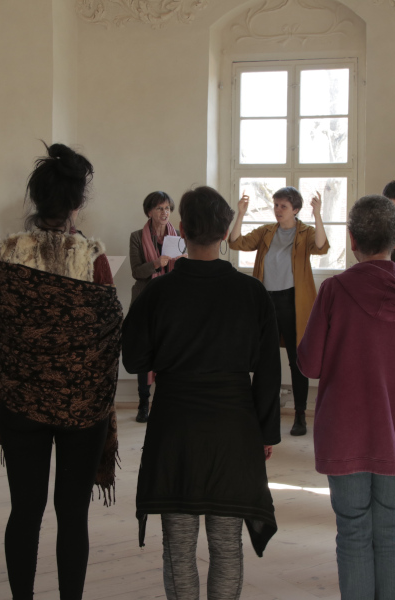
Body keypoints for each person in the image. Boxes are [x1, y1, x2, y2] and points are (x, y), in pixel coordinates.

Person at [122, 185, 281, 600]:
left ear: (183, 231)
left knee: (178, 547)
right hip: (233, 427)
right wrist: (266, 433)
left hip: (175, 426)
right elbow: (268, 370)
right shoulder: (252, 293)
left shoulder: (159, 292)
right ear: (226, 232)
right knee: (227, 545)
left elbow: (134, 359)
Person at [0, 143, 121, 600]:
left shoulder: (8, 253)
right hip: (83, 409)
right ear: (77, 204)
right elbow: (109, 334)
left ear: (37, 201)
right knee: (72, 514)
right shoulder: (93, 258)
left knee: (24, 512)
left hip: (22, 403)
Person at [298, 195, 395, 600]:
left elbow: (310, 364)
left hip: (344, 431)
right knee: (391, 530)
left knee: (353, 532)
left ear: (351, 239)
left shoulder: (333, 291)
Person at [228, 186, 329, 436]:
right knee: (266, 360)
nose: (278, 210)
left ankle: (300, 415)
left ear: (296, 209)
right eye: (276, 205)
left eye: (283, 206)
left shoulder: (305, 232)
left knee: (297, 361)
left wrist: (318, 214)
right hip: (266, 301)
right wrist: (240, 214)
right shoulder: (266, 231)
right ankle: (264, 412)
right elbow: (236, 242)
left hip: (293, 301)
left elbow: (321, 247)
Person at [128, 190, 178, 423]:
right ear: (149, 212)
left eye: (167, 208)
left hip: (170, 302)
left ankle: (165, 403)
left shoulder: (177, 237)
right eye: (159, 208)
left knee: (168, 352)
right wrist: (156, 264)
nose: (164, 212)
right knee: (145, 353)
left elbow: (182, 272)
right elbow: (136, 272)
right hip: (145, 300)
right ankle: (143, 404)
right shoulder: (136, 237)